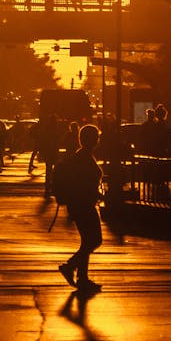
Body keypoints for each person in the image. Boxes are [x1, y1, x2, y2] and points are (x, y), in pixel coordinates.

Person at [58, 123, 104, 296]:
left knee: (87, 242)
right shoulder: (84, 157)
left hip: (79, 204)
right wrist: (99, 196)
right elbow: (85, 183)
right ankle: (70, 267)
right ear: (93, 139)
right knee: (94, 241)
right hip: (84, 205)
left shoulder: (81, 155)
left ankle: (82, 277)